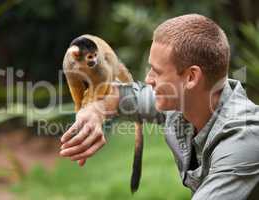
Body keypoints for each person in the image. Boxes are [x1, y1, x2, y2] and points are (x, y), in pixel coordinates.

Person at [59, 14, 259, 199]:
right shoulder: (181, 104)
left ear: (191, 77)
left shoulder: (243, 141)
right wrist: (93, 112)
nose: (148, 79)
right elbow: (118, 96)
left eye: (156, 71)